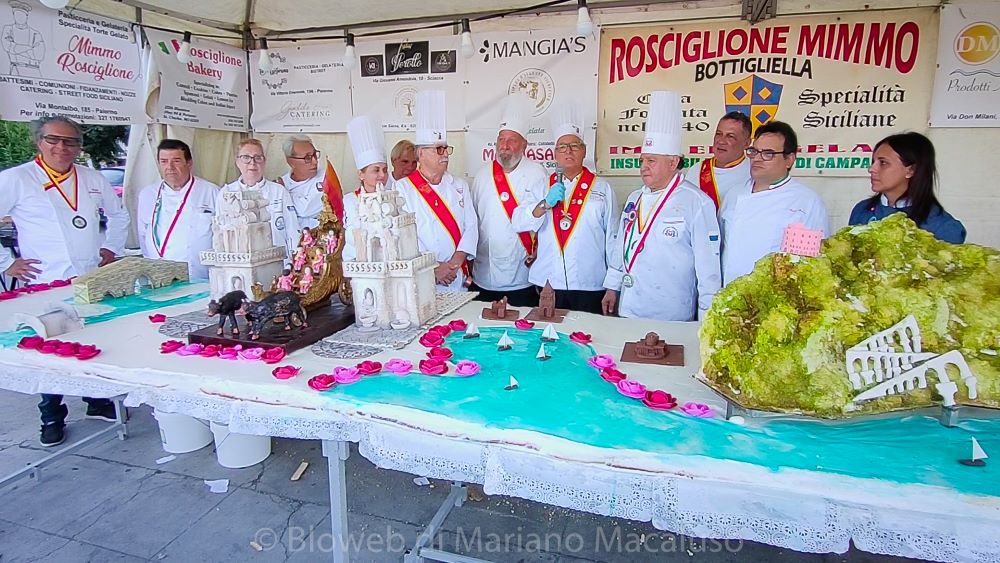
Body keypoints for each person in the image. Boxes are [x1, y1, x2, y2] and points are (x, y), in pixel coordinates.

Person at [0, 115, 129, 447]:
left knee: (95, 339)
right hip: (44, 278)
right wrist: (7, 262)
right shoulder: (17, 179)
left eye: (70, 141)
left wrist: (109, 248)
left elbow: (118, 214)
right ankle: (51, 415)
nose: (62, 147)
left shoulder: (91, 177)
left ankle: (96, 401)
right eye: (53, 140)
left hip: (88, 276)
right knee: (48, 349)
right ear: (38, 142)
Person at [603, 91, 722, 321]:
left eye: (651, 161)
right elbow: (621, 246)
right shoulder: (634, 198)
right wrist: (612, 287)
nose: (644, 167)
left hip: (671, 313)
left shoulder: (696, 203)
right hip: (630, 306)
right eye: (642, 160)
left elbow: (708, 269)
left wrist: (708, 318)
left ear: (673, 162)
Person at [512, 102, 617, 314]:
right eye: (562, 147)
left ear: (584, 151)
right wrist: (544, 204)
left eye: (574, 146)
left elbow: (614, 238)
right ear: (554, 154)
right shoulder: (542, 185)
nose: (568, 151)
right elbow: (518, 221)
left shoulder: (602, 188)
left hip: (590, 283)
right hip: (549, 282)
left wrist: (613, 285)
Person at [720, 120, 828, 285]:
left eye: (768, 153)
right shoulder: (734, 194)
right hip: (728, 292)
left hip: (774, 300)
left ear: (789, 159)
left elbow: (808, 265)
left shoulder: (805, 203)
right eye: (754, 152)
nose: (757, 158)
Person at [469, 94, 547, 307]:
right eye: (501, 140)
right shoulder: (482, 175)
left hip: (521, 274)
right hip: (484, 274)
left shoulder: (537, 173)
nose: (505, 145)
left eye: (512, 140)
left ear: (524, 145)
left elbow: (544, 223)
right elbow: (473, 220)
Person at [395, 91, 477, 291]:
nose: (445, 155)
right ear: (421, 153)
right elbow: (404, 237)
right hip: (424, 278)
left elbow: (471, 226)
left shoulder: (459, 185)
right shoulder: (403, 188)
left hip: (457, 275)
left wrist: (455, 263)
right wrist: (434, 268)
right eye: (438, 150)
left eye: (446, 149)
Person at [849, 132, 966, 244]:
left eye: (883, 163)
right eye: (873, 162)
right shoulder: (862, 210)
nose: (871, 169)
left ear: (911, 170)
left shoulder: (943, 227)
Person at [136, 139, 219, 279]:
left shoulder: (211, 192)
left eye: (176, 161)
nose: (170, 167)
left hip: (201, 276)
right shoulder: (147, 194)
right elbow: (143, 234)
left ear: (189, 163)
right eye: (164, 161)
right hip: (160, 277)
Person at [219, 139, 300, 259]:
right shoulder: (226, 193)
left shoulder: (279, 191)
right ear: (237, 161)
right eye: (246, 157)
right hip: (241, 263)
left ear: (264, 162)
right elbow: (221, 230)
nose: (252, 163)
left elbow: (292, 230)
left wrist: (294, 264)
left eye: (258, 158)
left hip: (277, 262)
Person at [343, 114, 391, 261]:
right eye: (376, 170)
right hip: (357, 264)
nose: (382, 175)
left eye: (385, 169)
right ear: (361, 174)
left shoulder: (393, 198)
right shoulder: (349, 201)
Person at [683, 111, 752, 211]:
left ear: (746, 143)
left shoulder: (753, 173)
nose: (721, 141)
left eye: (730, 136)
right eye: (719, 134)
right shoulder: (697, 169)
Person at [277, 135, 325, 229]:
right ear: (291, 162)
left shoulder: (325, 178)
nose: (315, 161)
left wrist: (284, 192)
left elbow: (305, 209)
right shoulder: (283, 182)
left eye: (315, 155)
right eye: (307, 158)